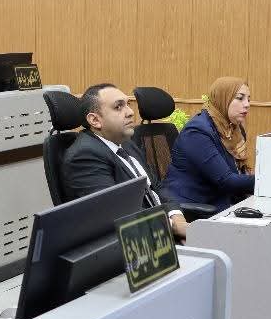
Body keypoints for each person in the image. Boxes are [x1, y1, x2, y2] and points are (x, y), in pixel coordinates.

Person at [62, 83, 188, 239]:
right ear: (95, 120)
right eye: (118, 107)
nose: (130, 112)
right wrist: (173, 226)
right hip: (133, 242)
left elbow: (156, 186)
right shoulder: (84, 156)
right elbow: (116, 212)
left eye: (127, 104)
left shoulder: (126, 143)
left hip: (160, 231)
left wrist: (177, 216)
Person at [164, 77, 255, 210]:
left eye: (248, 99)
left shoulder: (234, 129)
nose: (247, 104)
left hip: (222, 199)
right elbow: (226, 180)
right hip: (195, 206)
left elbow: (239, 172)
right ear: (222, 99)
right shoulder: (197, 132)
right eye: (240, 98)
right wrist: (268, 181)